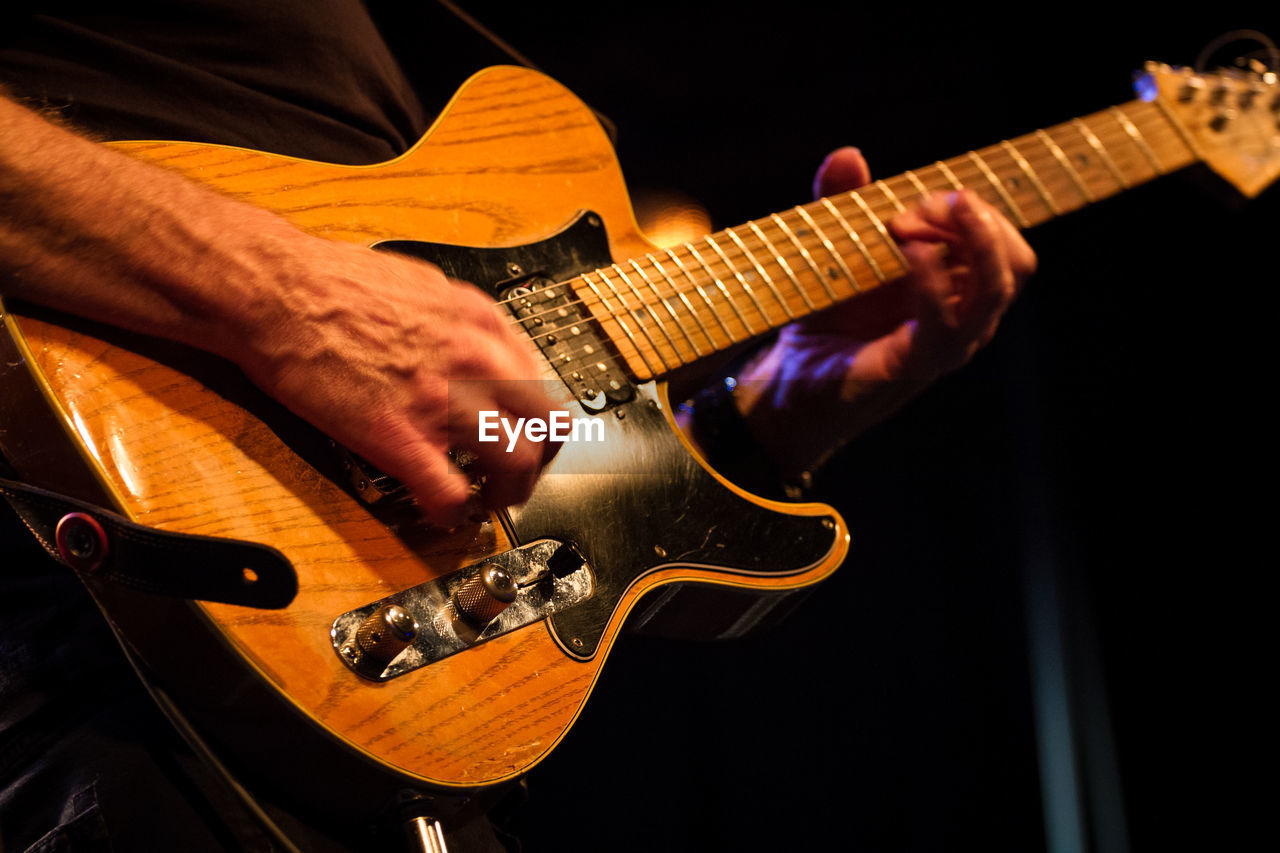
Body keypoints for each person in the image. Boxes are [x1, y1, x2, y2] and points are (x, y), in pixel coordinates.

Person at [0, 3, 1034, 850]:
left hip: (356, 741)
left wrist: (776, 406)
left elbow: (552, 483)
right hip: (84, 659)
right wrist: (288, 301)